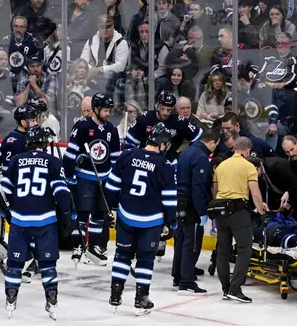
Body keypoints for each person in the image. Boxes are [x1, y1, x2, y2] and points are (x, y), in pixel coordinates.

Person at [0, 126, 73, 320]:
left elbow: (4, 191)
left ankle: (10, 299)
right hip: (45, 221)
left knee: (15, 264)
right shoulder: (53, 162)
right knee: (47, 264)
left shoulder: (16, 161)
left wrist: (7, 211)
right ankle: (52, 301)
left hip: (20, 220)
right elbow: (62, 193)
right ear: (44, 144)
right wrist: (67, 215)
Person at [105, 123, 177, 316]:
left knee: (122, 255)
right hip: (150, 222)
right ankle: (141, 298)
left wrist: (112, 208)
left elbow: (111, 187)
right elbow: (169, 199)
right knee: (145, 259)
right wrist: (171, 223)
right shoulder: (165, 166)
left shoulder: (127, 155)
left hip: (126, 216)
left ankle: (115, 293)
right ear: (161, 144)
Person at [63, 93, 120, 266]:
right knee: (82, 213)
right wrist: (69, 176)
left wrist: (115, 178)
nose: (108, 113)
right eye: (105, 110)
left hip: (103, 178)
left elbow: (116, 157)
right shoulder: (81, 126)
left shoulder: (111, 129)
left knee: (99, 214)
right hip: (84, 177)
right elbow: (70, 153)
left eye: (109, 110)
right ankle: (78, 246)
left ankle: (93, 246)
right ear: (95, 109)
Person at [212, 137, 266, 303]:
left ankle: (225, 288)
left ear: (234, 148)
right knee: (244, 248)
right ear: (248, 150)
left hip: (220, 210)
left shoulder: (221, 165)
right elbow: (255, 192)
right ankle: (235, 288)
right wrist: (261, 208)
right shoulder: (248, 166)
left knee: (223, 250)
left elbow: (214, 189)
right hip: (238, 211)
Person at [173, 128, 220, 295]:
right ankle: (186, 282)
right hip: (191, 205)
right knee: (191, 243)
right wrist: (202, 210)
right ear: (212, 142)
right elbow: (197, 186)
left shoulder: (186, 152)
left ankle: (178, 275)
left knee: (181, 240)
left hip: (180, 202)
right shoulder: (201, 157)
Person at [124, 91, 203, 162]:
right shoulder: (145, 118)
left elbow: (199, 137)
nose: (165, 113)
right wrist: (132, 158)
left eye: (169, 110)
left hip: (168, 162)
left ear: (173, 109)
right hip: (144, 160)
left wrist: (185, 155)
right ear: (158, 106)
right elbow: (130, 140)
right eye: (162, 108)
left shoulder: (180, 122)